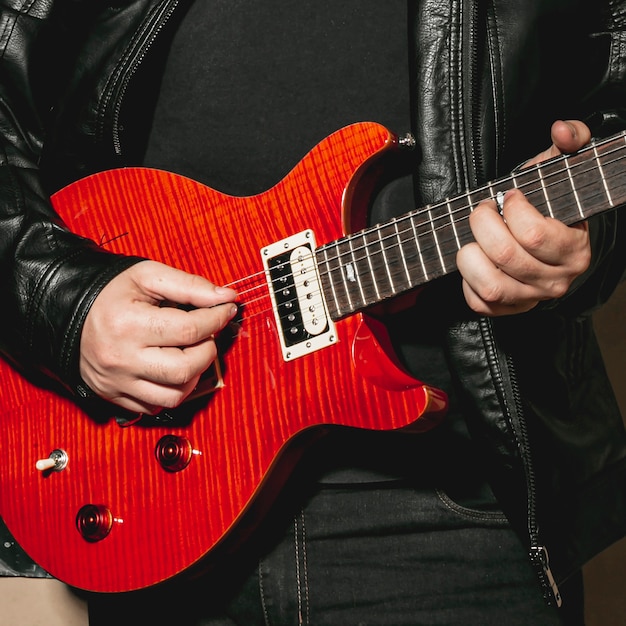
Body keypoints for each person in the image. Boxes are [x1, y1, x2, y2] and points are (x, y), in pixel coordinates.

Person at [1, 1, 626, 625]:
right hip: (153, 488)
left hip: (459, 498)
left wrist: (589, 243)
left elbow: (609, 106)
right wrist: (61, 303)